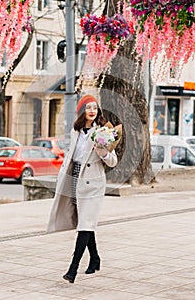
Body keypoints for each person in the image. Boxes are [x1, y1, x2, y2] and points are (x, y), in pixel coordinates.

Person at [47, 94, 118, 283]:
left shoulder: (103, 131)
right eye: (88, 108)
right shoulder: (76, 130)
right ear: (82, 111)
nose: (92, 111)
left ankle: (72, 269)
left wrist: (103, 152)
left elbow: (113, 160)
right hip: (75, 178)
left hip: (92, 182)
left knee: (85, 224)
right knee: (85, 222)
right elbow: (73, 155)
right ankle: (95, 259)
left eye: (95, 107)